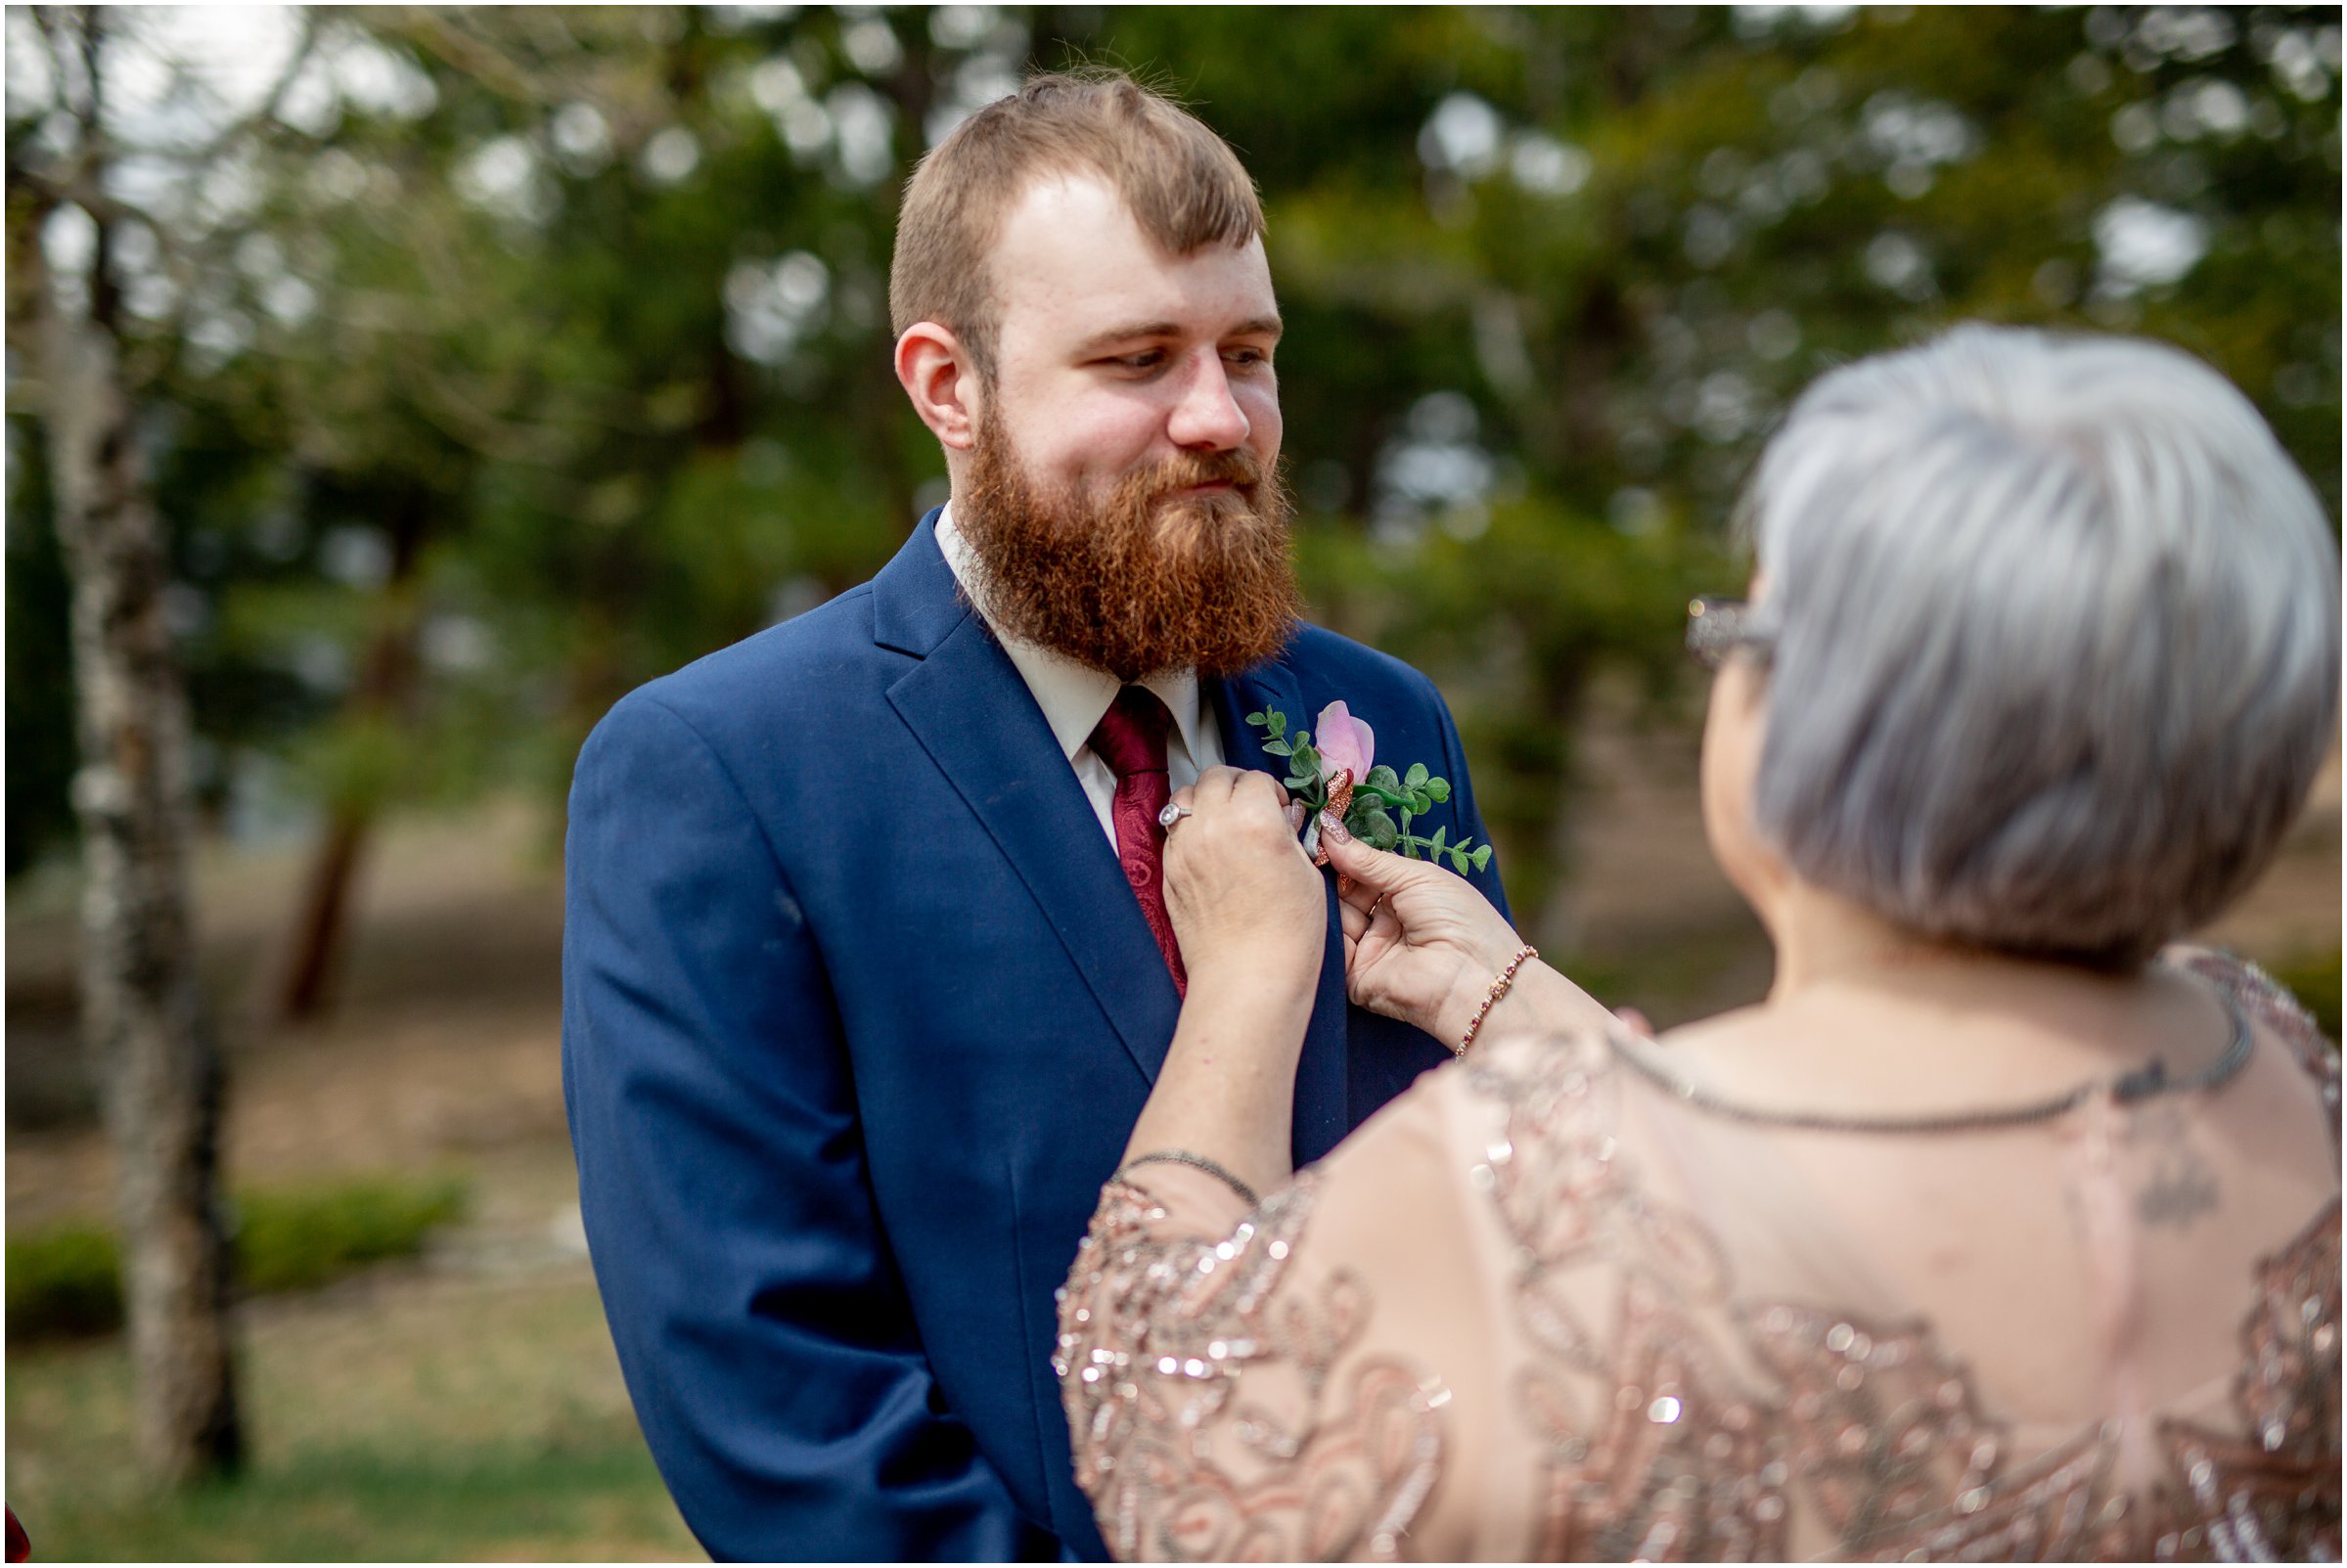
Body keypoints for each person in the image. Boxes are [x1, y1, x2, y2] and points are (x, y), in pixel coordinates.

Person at [1057, 325, 2341, 1560]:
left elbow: (1170, 1429)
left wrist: (1248, 978)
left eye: (1742, 626)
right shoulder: (2274, 1061)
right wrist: (1508, 993)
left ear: (1824, 712)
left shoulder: (1507, 1190)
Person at [560, 72, 1507, 1560]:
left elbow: (1489, 1207)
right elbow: (775, 1400)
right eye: (1137, 359)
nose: (1218, 418)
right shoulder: (722, 774)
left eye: (1247, 353)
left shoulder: (1385, 725)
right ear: (948, 384)